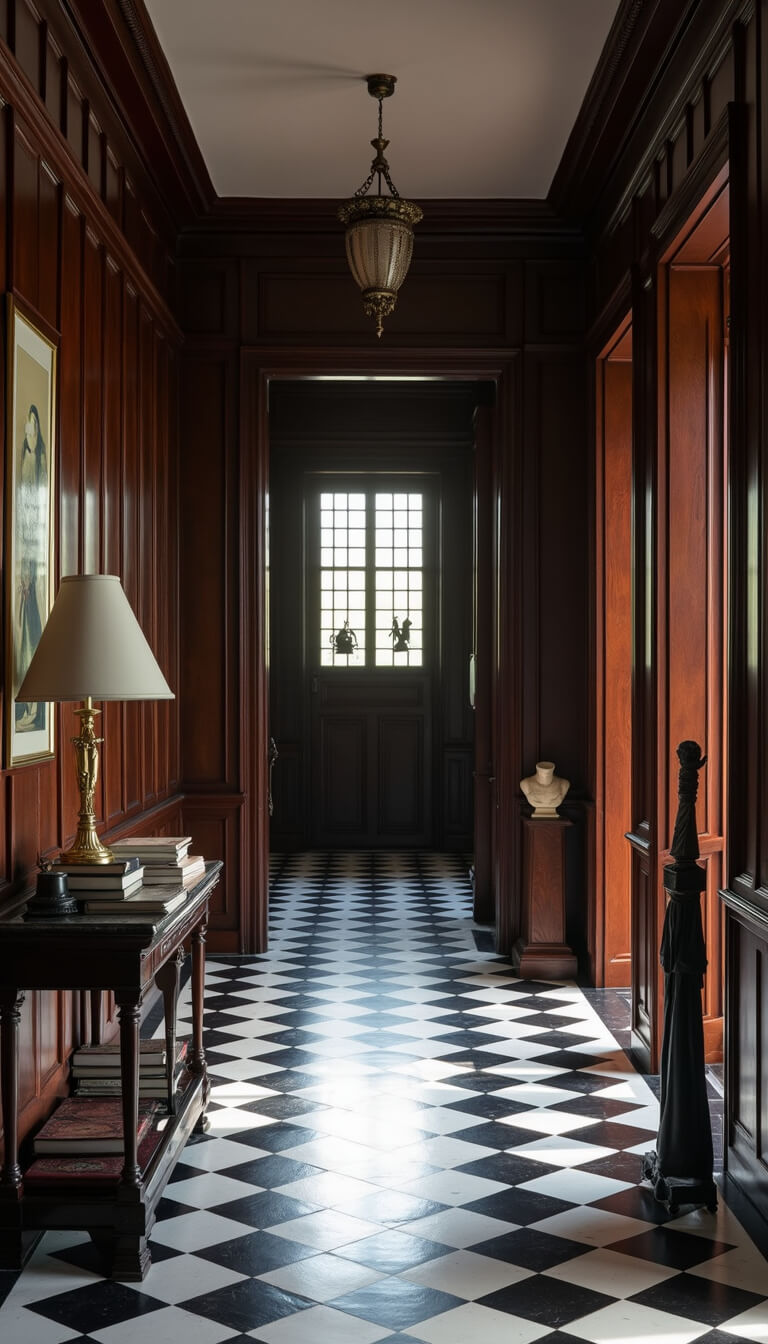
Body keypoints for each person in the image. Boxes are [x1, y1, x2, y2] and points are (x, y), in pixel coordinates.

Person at [15, 404, 48, 731]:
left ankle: (34, 711)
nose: (31, 434)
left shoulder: (40, 465)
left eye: (35, 429)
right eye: (28, 429)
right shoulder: (24, 464)